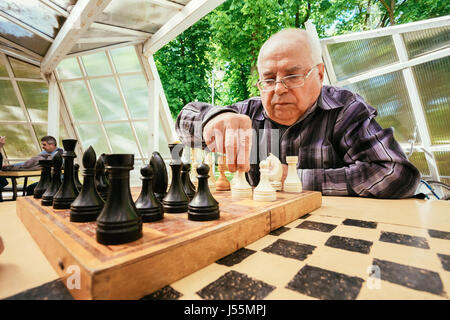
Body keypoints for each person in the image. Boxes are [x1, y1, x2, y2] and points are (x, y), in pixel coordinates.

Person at [175, 28, 421, 199]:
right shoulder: (248, 114)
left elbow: (397, 175)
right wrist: (213, 119)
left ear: (320, 74)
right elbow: (185, 117)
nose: (279, 89)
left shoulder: (345, 110)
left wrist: (290, 176)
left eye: (292, 76)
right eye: (269, 79)